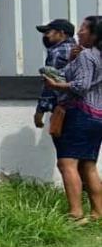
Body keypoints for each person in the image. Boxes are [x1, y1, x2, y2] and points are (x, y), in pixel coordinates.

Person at [44, 16, 102, 223]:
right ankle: (97, 213)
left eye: (84, 29)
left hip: (79, 113)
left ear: (94, 35)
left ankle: (76, 213)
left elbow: (81, 85)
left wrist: (55, 85)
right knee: (88, 165)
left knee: (67, 163)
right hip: (96, 116)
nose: (79, 32)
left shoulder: (87, 56)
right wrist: (71, 61)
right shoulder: (93, 55)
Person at [35, 19, 76, 129]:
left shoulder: (57, 52)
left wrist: (40, 110)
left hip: (64, 107)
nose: (45, 36)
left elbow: (51, 83)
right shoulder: (79, 49)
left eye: (48, 32)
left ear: (61, 33)